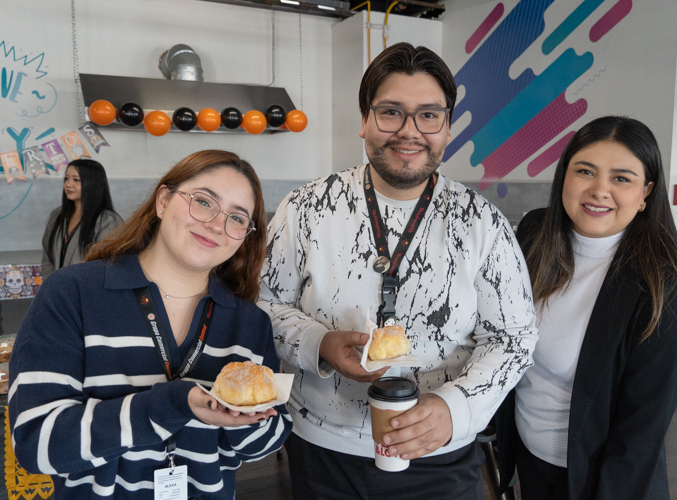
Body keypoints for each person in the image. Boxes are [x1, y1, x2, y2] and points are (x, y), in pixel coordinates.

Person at [258, 42, 538, 499]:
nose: (410, 132)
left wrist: (455, 408)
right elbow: (262, 304)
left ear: (448, 127)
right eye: (391, 112)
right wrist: (319, 343)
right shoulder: (307, 207)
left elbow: (514, 337)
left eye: (429, 115)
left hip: (440, 457)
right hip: (323, 451)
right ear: (364, 120)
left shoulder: (481, 222)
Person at [10, 150, 293, 499]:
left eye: (237, 217)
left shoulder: (249, 322)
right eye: (203, 201)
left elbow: (265, 445)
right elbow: (36, 443)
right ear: (163, 201)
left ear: (246, 235)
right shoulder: (73, 293)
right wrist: (171, 406)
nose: (217, 224)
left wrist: (243, 417)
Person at [495, 116, 677, 499]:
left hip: (596, 481)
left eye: (621, 178)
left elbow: (640, 435)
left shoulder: (662, 290)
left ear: (646, 192)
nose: (599, 190)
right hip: (527, 459)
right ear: (564, 176)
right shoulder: (535, 232)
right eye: (585, 171)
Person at [41, 159, 123, 280]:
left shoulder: (108, 221)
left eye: (76, 179)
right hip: (57, 288)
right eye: (66, 179)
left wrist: (76, 287)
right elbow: (47, 258)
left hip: (88, 289)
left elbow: (107, 265)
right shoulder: (57, 215)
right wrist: (53, 285)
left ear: (93, 183)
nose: (68, 184)